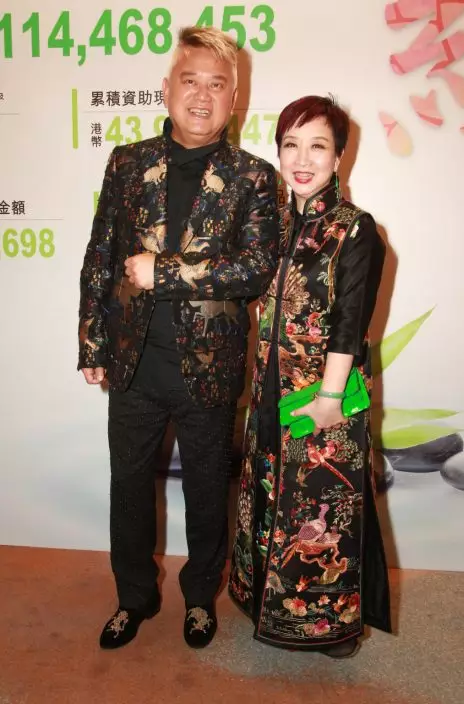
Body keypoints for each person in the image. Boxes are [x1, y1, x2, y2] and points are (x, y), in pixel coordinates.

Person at [78, 26, 279, 650]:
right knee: (129, 491)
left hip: (210, 371)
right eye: (190, 81)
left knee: (206, 494)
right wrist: (92, 341)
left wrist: (163, 271)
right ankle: (133, 597)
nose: (201, 95)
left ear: (234, 99)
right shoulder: (128, 163)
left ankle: (198, 599)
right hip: (133, 364)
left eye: (217, 85)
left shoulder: (254, 177)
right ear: (167, 88)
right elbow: (101, 255)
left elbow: (256, 269)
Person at [229, 95, 391, 657]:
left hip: (324, 396)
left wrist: (329, 398)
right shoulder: (274, 222)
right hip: (269, 389)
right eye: (290, 145)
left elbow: (350, 321)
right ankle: (263, 604)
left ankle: (329, 627)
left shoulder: (355, 229)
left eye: (317, 146)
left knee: (319, 512)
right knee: (268, 494)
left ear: (339, 156)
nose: (302, 159)